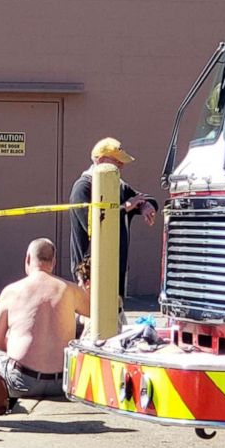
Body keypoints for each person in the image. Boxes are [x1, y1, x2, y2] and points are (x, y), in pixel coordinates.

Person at [0, 239, 89, 399]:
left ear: (28, 259)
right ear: (54, 262)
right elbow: (99, 315)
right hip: (62, 382)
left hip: (20, 380)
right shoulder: (70, 290)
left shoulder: (11, 291)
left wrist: (24, 350)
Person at [68, 137, 157, 322]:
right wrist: (125, 207)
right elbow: (96, 224)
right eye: (116, 162)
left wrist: (146, 206)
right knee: (92, 322)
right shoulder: (82, 187)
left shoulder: (119, 185)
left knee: (115, 318)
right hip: (90, 270)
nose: (121, 167)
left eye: (121, 162)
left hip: (116, 266)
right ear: (99, 161)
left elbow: (141, 198)